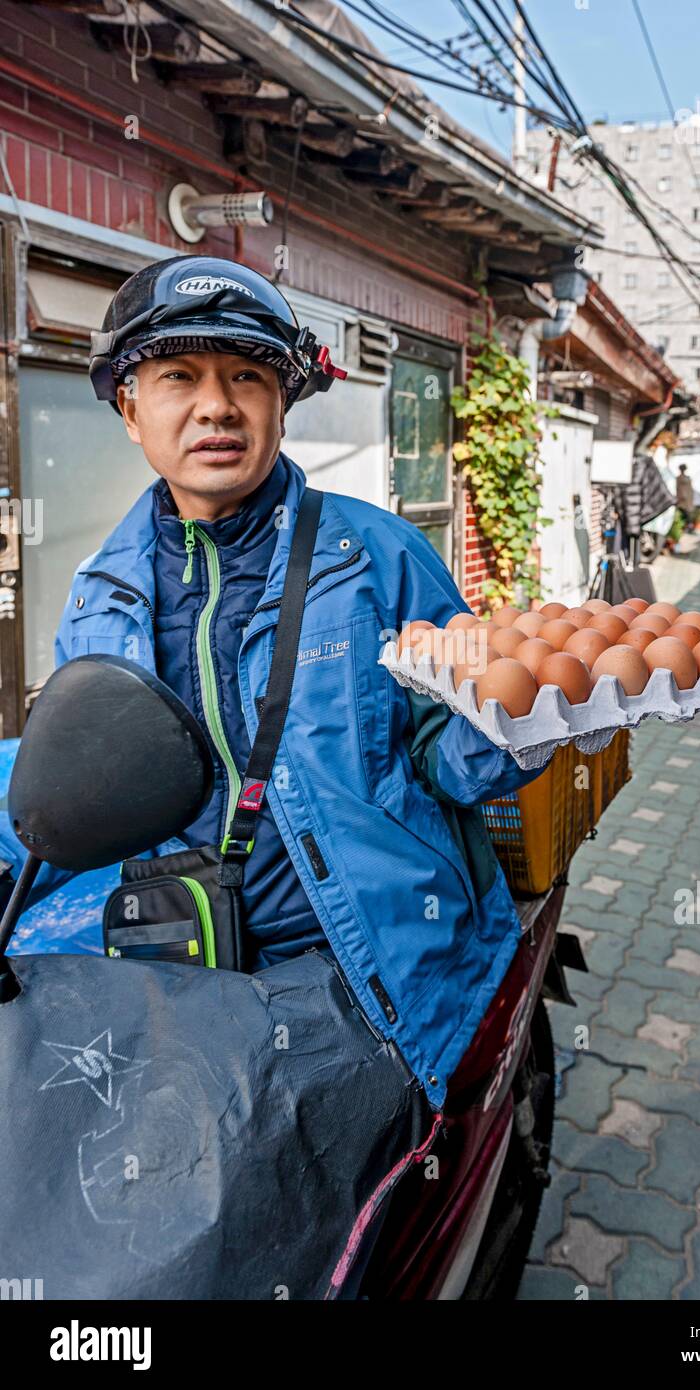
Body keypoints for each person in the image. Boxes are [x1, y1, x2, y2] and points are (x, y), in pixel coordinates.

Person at [0, 256, 553, 1297]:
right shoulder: (101, 588)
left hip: (347, 968)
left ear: (282, 400)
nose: (216, 405)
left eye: (247, 377)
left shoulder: (379, 559)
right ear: (130, 407)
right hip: (170, 961)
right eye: (177, 377)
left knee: (292, 1234)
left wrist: (512, 724)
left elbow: (447, 759)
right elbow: (87, 760)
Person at [675, 462, 695, 532]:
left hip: (688, 498)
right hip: (682, 498)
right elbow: (678, 488)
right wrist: (681, 496)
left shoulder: (687, 477)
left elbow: (690, 487)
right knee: (683, 513)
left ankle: (688, 527)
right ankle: (685, 527)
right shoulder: (679, 478)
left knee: (688, 514)